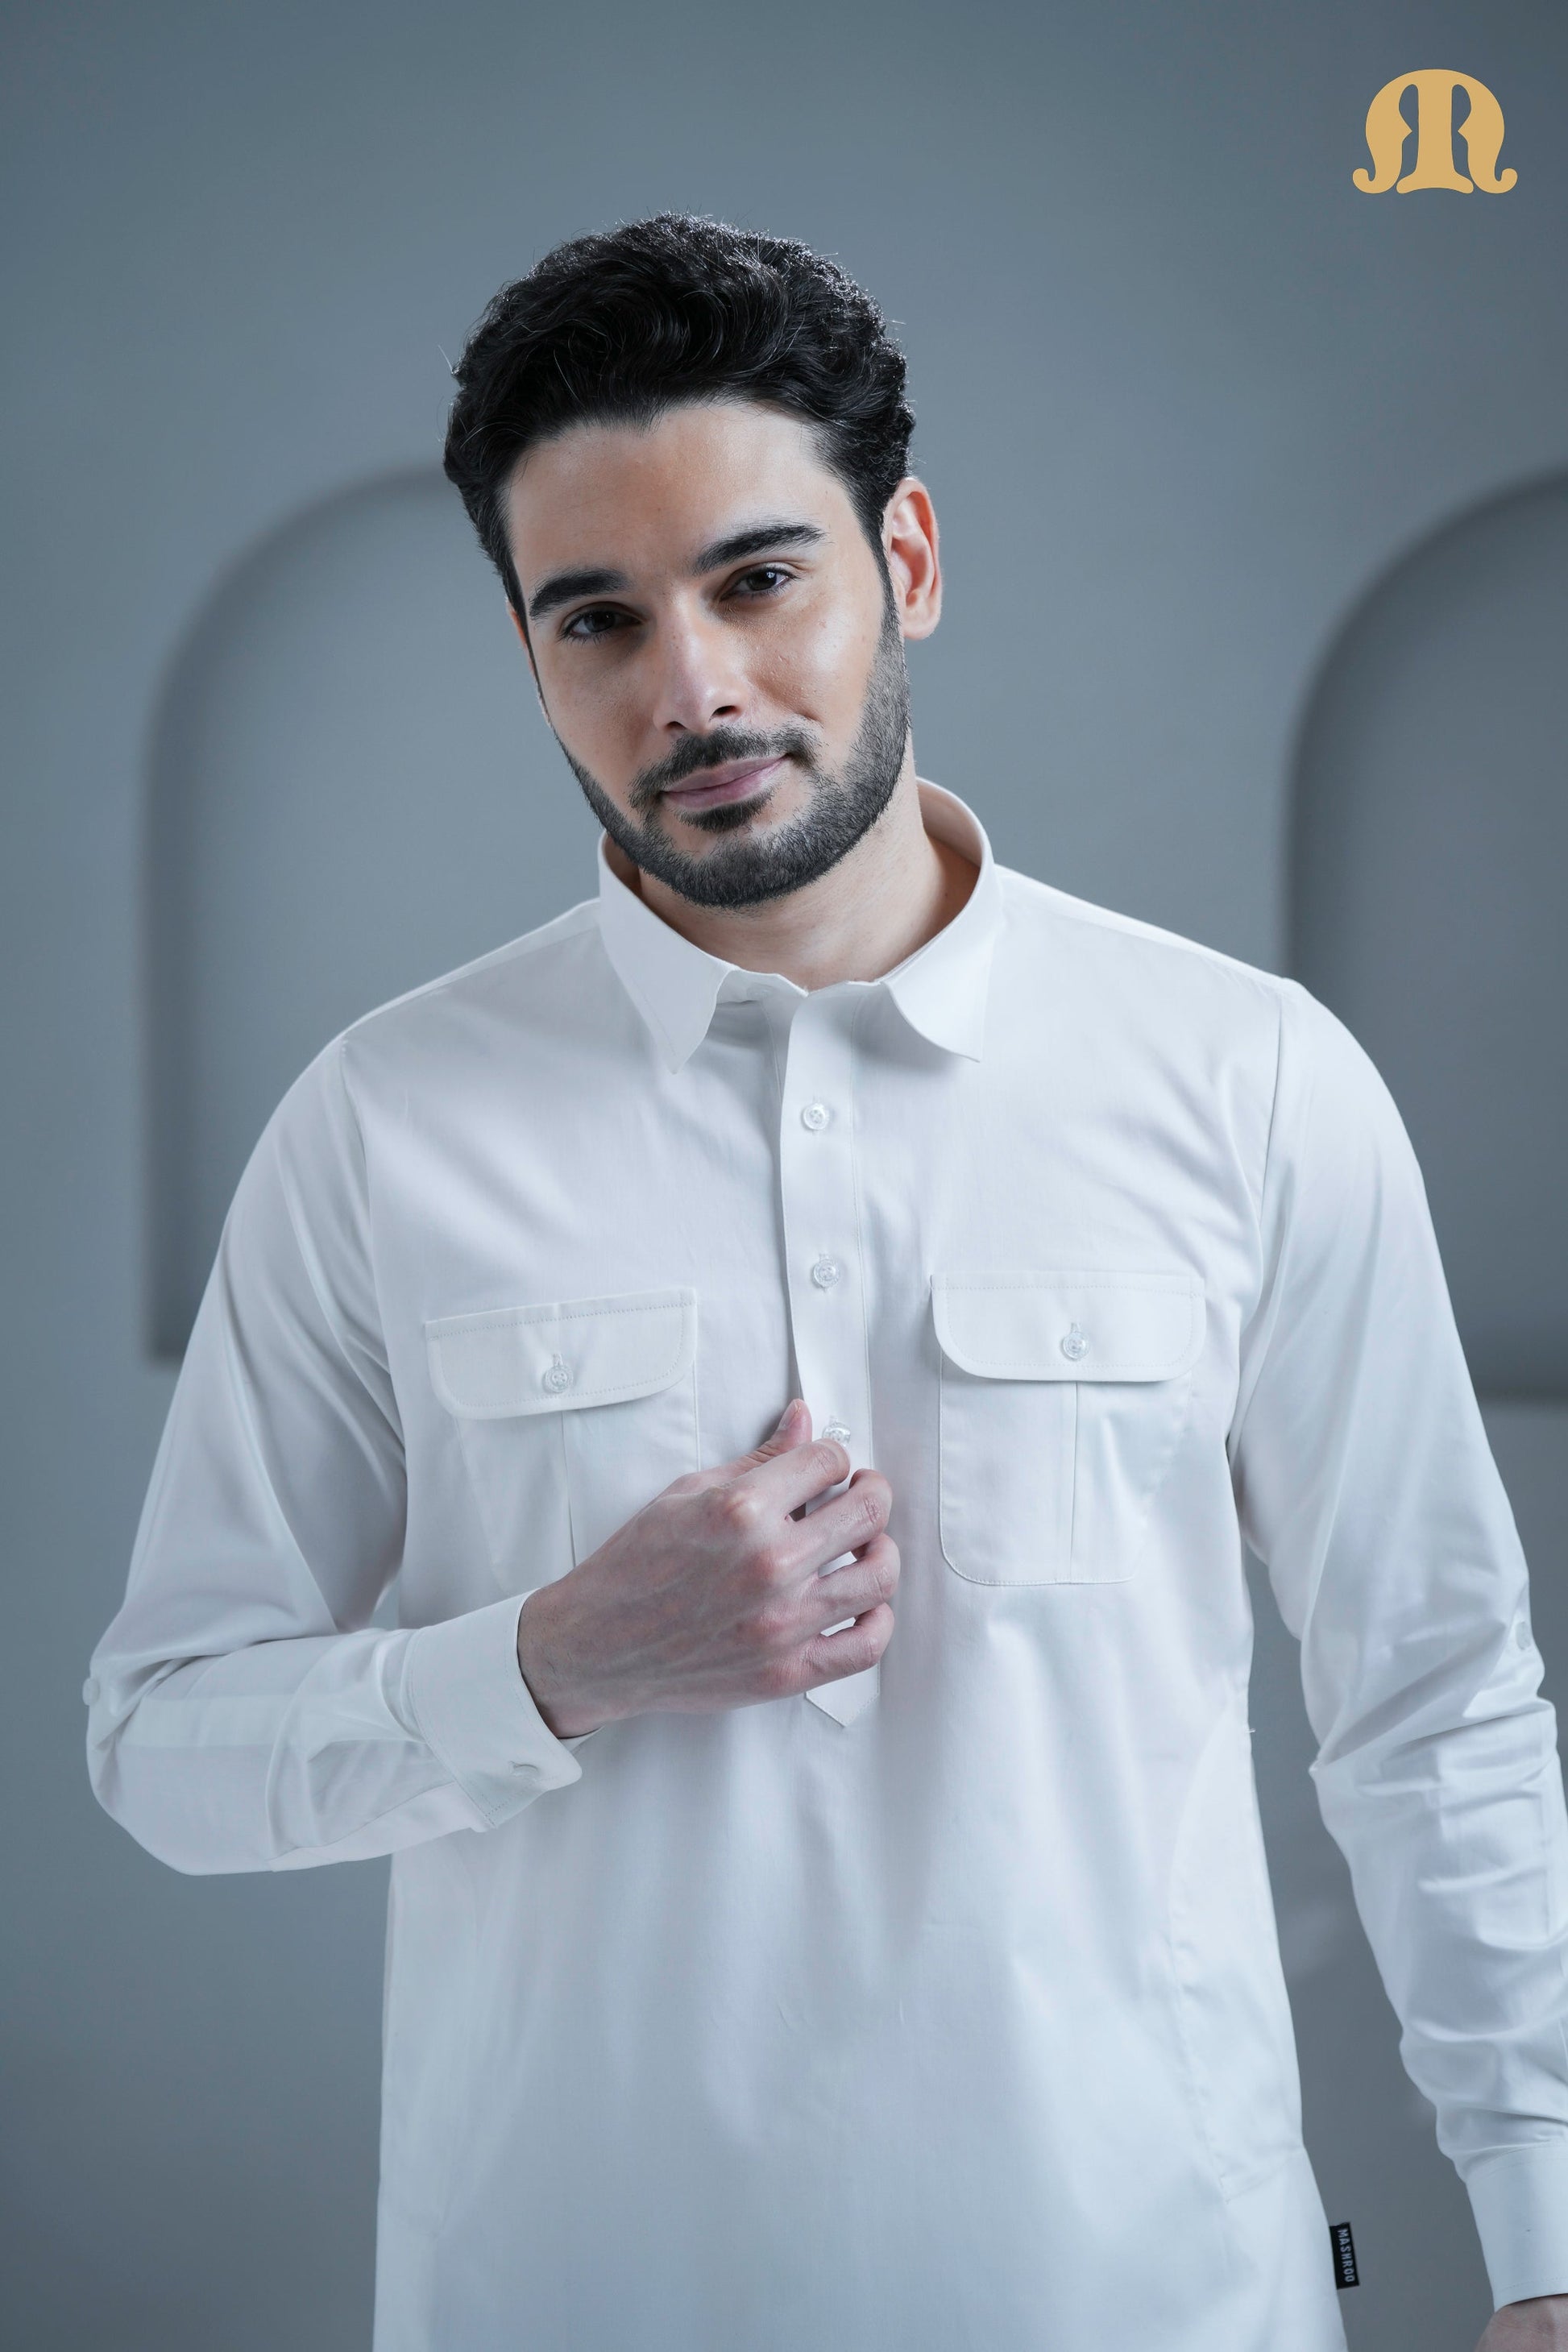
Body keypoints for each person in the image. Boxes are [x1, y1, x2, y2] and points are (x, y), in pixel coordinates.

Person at [86, 214, 1568, 2352]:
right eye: (595, 617)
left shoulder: (1239, 1078)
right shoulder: (383, 1123)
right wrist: (547, 1662)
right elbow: (164, 1740)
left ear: (911, 560)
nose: (687, 684)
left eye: (756, 578)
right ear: (528, 657)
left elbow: (1433, 1699)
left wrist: (1541, 2232)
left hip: (1147, 2291)